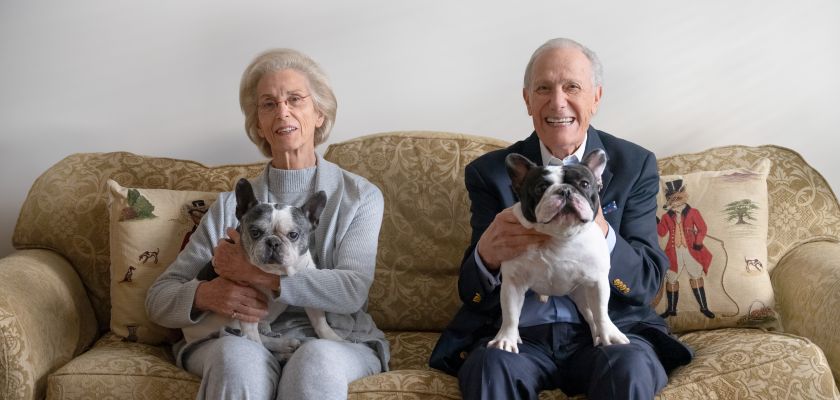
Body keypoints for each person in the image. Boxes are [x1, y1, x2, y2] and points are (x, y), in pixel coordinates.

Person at [429, 38, 693, 400]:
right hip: (521, 336)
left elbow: (647, 282)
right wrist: (487, 256)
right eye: (543, 88)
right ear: (527, 100)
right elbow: (471, 293)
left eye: (572, 87)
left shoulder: (635, 164)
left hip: (606, 329)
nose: (557, 102)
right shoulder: (489, 173)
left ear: (596, 97)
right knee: (489, 370)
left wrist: (599, 227)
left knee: (630, 369)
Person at [146, 48, 388, 400]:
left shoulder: (359, 196)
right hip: (239, 336)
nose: (282, 111)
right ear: (257, 123)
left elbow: (352, 290)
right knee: (236, 358)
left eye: (294, 99)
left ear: (319, 113)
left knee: (314, 361)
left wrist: (260, 276)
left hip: (335, 340)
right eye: (268, 104)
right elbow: (159, 299)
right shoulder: (232, 206)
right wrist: (206, 294)